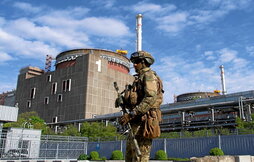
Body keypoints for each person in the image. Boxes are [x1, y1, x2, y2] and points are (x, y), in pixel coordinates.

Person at [119, 51, 164, 162]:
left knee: (141, 156)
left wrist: (132, 114)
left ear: (144, 62)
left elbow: (150, 98)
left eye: (137, 62)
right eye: (133, 62)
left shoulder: (149, 76)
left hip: (145, 122)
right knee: (130, 155)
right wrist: (123, 101)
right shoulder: (139, 78)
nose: (134, 64)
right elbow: (136, 100)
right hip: (136, 121)